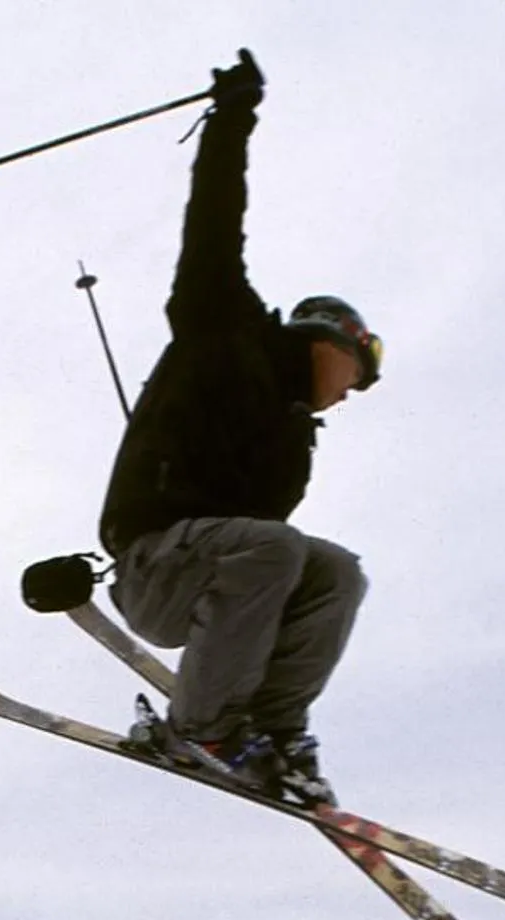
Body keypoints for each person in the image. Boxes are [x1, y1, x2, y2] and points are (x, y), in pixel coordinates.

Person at [99, 48, 382, 809]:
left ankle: (274, 729)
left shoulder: (291, 436)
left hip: (215, 580)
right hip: (154, 568)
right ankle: (204, 727)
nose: (353, 394)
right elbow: (215, 226)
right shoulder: (224, 331)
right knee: (278, 545)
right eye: (360, 372)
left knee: (336, 569)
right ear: (334, 343)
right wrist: (232, 122)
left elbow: (273, 572)